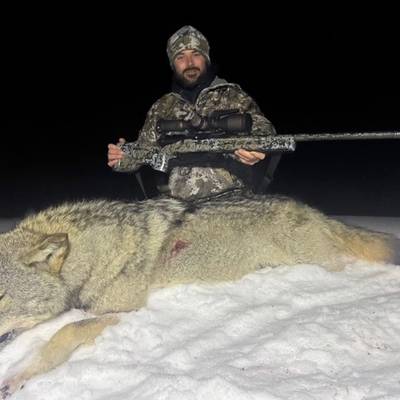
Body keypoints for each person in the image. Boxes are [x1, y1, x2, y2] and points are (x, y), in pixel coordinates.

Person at [108, 25, 278, 200]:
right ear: (173, 64)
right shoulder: (162, 107)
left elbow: (264, 129)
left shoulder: (233, 95)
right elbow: (143, 151)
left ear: (206, 59)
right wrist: (121, 157)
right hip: (178, 208)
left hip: (232, 204)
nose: (189, 63)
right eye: (180, 57)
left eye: (196, 54)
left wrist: (257, 148)